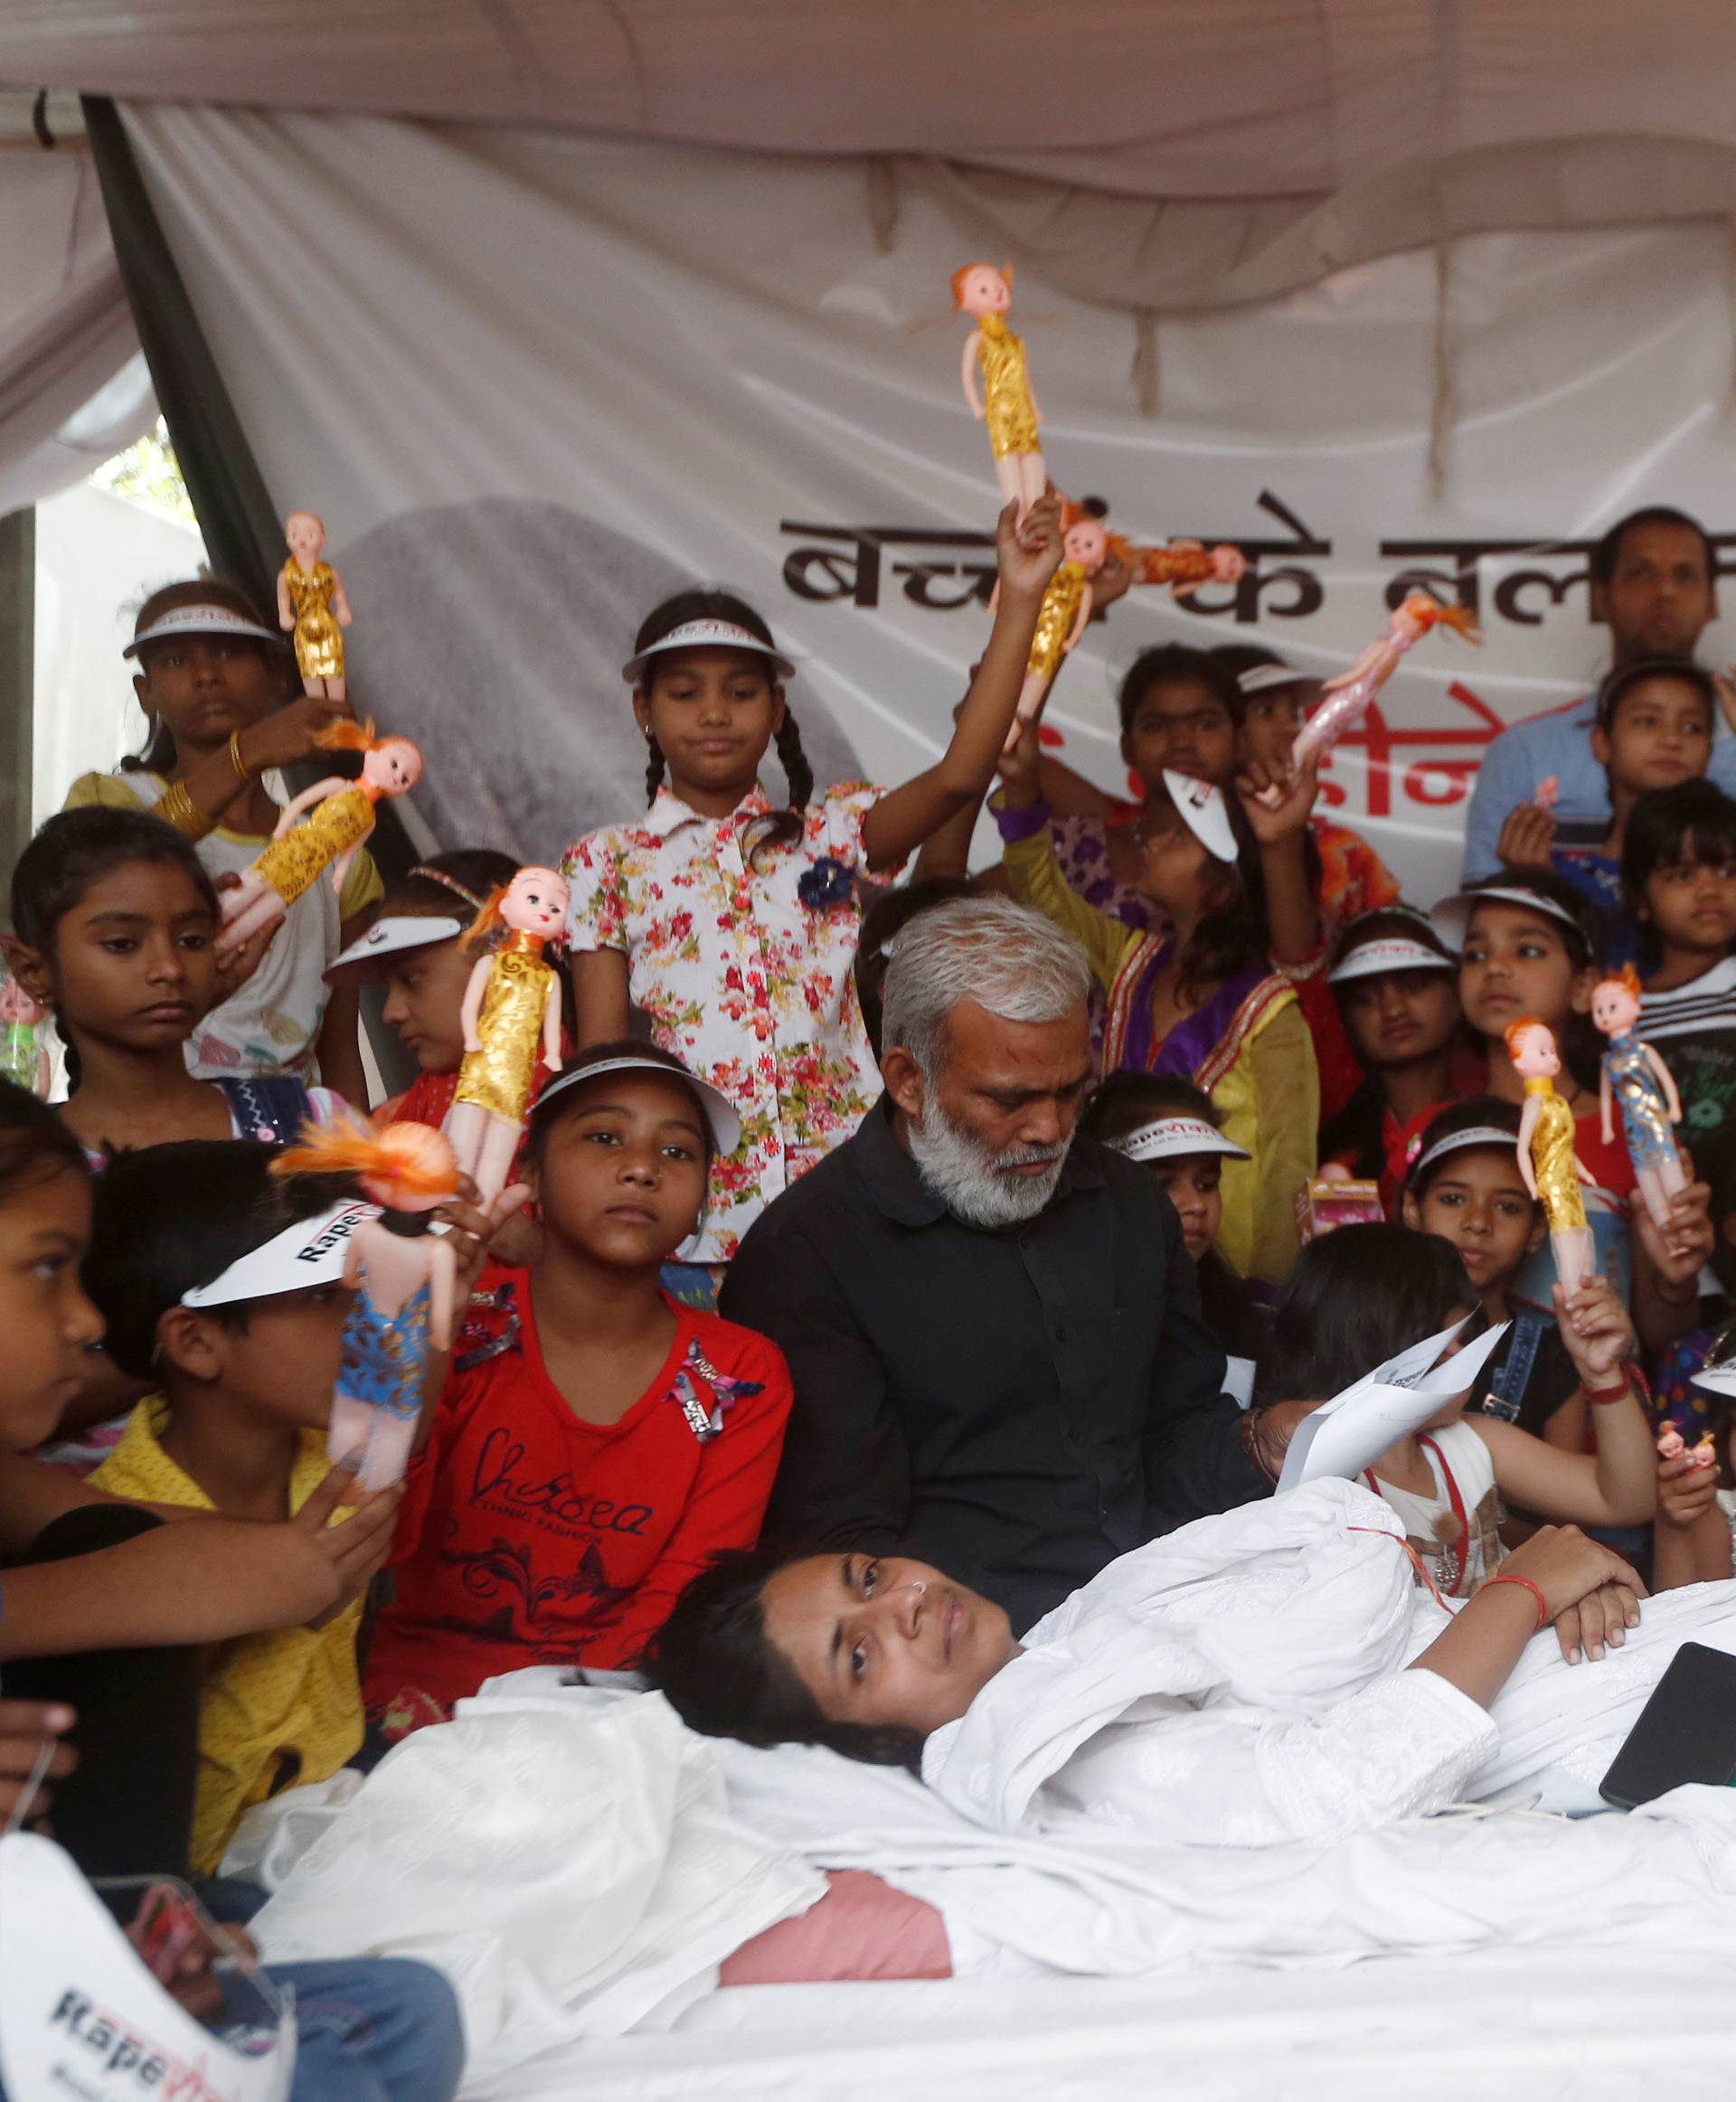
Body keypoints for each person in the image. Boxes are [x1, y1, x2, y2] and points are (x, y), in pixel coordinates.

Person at [719, 896, 1299, 1636]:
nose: (1050, 1129)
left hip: (1174, 1604)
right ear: (907, 1079)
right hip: (974, 1654)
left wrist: (1264, 1443)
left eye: (1072, 1092)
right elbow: (846, 1550)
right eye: (1010, 1099)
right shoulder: (808, 1255)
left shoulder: (1128, 1206)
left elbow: (1177, 1433)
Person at [646, 1481, 1695, 1853]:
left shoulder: (1065, 1637)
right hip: (1643, 1733)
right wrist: (1515, 1597)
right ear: (865, 1739)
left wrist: (1542, 1594)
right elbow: (1330, 1788)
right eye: (862, 1652)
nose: (907, 1601)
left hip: (1626, 1662)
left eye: (870, 1573)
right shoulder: (1049, 1737)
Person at [562, 496, 1064, 1265]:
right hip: (696, 1228)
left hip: (852, 1209)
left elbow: (963, 775)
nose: (714, 712)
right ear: (643, 710)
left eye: (741, 689)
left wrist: (1022, 595)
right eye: (684, 691)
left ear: (776, 707)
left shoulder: (830, 830)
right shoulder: (604, 860)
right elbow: (601, 1063)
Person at [362, 1042, 793, 1730]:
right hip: (411, 1719)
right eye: (604, 1137)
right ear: (530, 1170)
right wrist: (430, 1340)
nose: (642, 1168)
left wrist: (553, 1727)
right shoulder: (463, 1325)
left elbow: (682, 1598)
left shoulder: (740, 1377)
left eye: (678, 1152)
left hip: (609, 1722)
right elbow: (376, 1535)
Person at [78, 1142, 435, 1873]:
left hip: (345, 1792)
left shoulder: (342, 1457)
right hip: (207, 1870)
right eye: (318, 1297)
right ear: (196, 1340)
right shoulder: (110, 1537)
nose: (365, 1317)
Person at [996, 729, 1317, 1282]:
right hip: (1110, 1250)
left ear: (1220, 888)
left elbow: (1289, 1170)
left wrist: (1267, 1300)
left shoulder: (1272, 1013)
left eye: (1178, 839)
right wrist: (1023, 792)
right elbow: (1043, 894)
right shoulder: (1132, 959)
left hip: (1222, 1276)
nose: (1154, 842)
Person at [62, 581, 381, 1101]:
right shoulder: (110, 801)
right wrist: (246, 753)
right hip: (149, 1127)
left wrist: (356, 1169)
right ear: (147, 694)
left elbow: (339, 1048)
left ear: (274, 675)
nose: (206, 675)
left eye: (229, 652)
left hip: (289, 1145)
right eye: (175, 661)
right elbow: (114, 869)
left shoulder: (340, 855)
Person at [1248, 1226, 1652, 1598]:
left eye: (1464, 1339)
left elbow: (1624, 1500)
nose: (1462, 1358)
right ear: (1361, 1338)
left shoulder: (1474, 1441)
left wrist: (1601, 1374)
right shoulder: (1324, 1479)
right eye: (1435, 1343)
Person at [1429, 871, 1713, 1348]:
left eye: (1528, 950)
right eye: (1476, 954)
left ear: (1586, 987)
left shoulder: (1633, 1135)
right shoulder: (1435, 1132)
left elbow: (1662, 1335)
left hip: (1604, 1408)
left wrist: (1675, 1279)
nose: (1495, 967)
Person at [9, 810, 348, 1164]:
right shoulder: (21, 1168)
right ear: (34, 972)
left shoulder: (315, 1126)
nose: (170, 967)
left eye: (191, 940)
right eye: (122, 944)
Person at [1463, 505, 1736, 881]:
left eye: (1685, 576)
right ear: (1600, 598)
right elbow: (1484, 922)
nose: (1665, 591)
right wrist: (1534, 888)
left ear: (1712, 602)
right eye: (1641, 573)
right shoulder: (1524, 753)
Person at [1495, 658, 1717, 965]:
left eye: (1693, 728)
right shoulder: (1555, 873)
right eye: (1648, 721)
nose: (1672, 739)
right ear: (1602, 743)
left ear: (1709, 753)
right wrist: (1542, 889)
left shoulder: (1726, 871)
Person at [1400, 1098, 1584, 1438]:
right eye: (1453, 1199)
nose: (1478, 1223)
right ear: (1412, 1208)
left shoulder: (1553, 1359)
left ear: (1536, 1230)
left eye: (1507, 1206)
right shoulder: (1367, 1330)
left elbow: (1570, 1487)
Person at [322, 847, 524, 1127]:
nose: (390, 1013)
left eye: (411, 979)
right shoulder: (414, 1106)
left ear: (501, 952)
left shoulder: (563, 1102)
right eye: (388, 986)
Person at [1075, 1072, 1266, 1366]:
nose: (1197, 1205)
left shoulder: (1236, 1317)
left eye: (1206, 1183)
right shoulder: (1064, 1311)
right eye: (1162, 1183)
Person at [1316, 905, 1478, 1205]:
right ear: (1346, 1021)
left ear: (1458, 996)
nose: (1393, 1009)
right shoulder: (1335, 1144)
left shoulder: (1497, 1112)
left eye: (1413, 986)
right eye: (1366, 998)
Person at [1626, 779, 1736, 1139]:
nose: (1709, 889)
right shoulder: (1621, 1015)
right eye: (1682, 875)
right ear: (1641, 900)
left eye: (1728, 872)